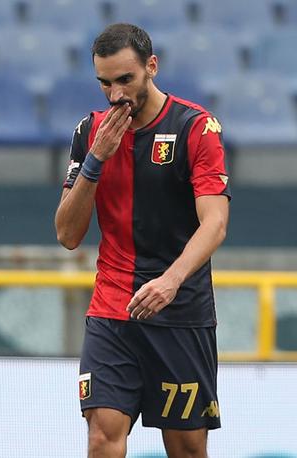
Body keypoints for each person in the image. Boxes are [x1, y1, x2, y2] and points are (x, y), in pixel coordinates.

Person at [54, 23, 230, 458]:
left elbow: (215, 224)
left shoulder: (195, 128)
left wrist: (170, 282)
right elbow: (67, 234)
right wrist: (95, 160)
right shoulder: (89, 131)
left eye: (125, 80)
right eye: (105, 83)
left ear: (151, 67)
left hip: (180, 309)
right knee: (102, 434)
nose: (115, 95)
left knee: (187, 448)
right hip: (114, 307)